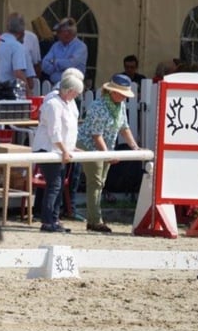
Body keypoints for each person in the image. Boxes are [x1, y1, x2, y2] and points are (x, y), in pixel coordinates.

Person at [76, 73, 141, 233]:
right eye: (123, 94)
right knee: (96, 182)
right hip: (89, 145)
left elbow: (124, 127)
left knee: (100, 183)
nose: (125, 98)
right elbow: (96, 135)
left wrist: (135, 147)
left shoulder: (120, 106)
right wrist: (107, 155)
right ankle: (96, 221)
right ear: (113, 92)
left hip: (105, 146)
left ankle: (93, 220)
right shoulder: (98, 106)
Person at [31, 72, 85, 232]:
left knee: (59, 185)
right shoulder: (53, 104)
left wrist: (70, 148)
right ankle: (47, 221)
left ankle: (54, 219)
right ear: (69, 90)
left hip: (59, 150)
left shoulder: (67, 103)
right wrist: (64, 150)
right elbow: (54, 132)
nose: (76, 96)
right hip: (47, 149)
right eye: (75, 93)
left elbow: (67, 130)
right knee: (54, 185)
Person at [41, 17, 88, 84]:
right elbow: (44, 64)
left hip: (73, 86)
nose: (57, 34)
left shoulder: (81, 47)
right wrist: (61, 66)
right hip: (55, 85)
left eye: (59, 32)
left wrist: (54, 62)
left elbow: (70, 64)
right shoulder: (56, 46)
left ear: (67, 33)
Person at [0, 12, 29, 87]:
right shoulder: (17, 46)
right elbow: (18, 73)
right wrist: (28, 91)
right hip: (6, 89)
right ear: (22, 30)